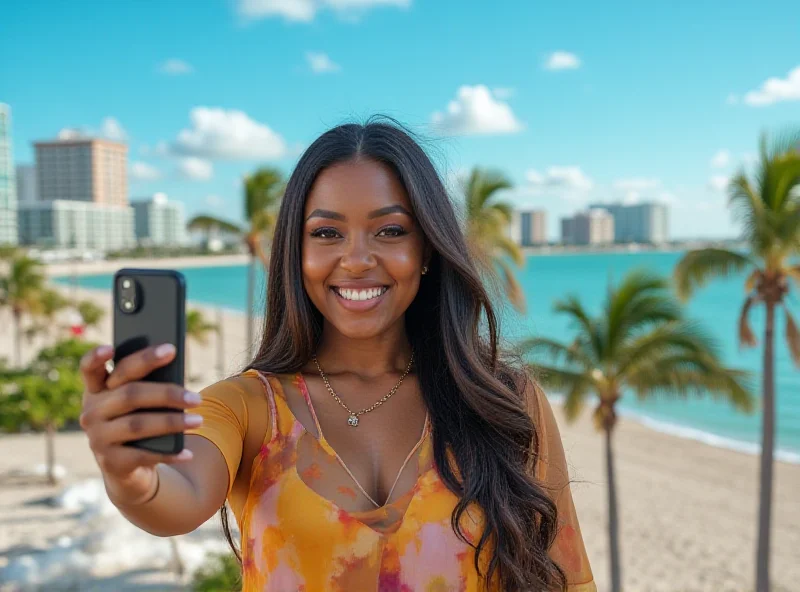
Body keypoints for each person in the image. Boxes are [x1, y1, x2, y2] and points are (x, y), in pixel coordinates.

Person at [79, 118, 596, 591]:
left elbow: (567, 580)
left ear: (427, 251)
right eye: (326, 233)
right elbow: (179, 500)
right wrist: (133, 480)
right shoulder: (245, 408)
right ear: (295, 254)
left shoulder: (505, 403)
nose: (356, 259)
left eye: (390, 230)